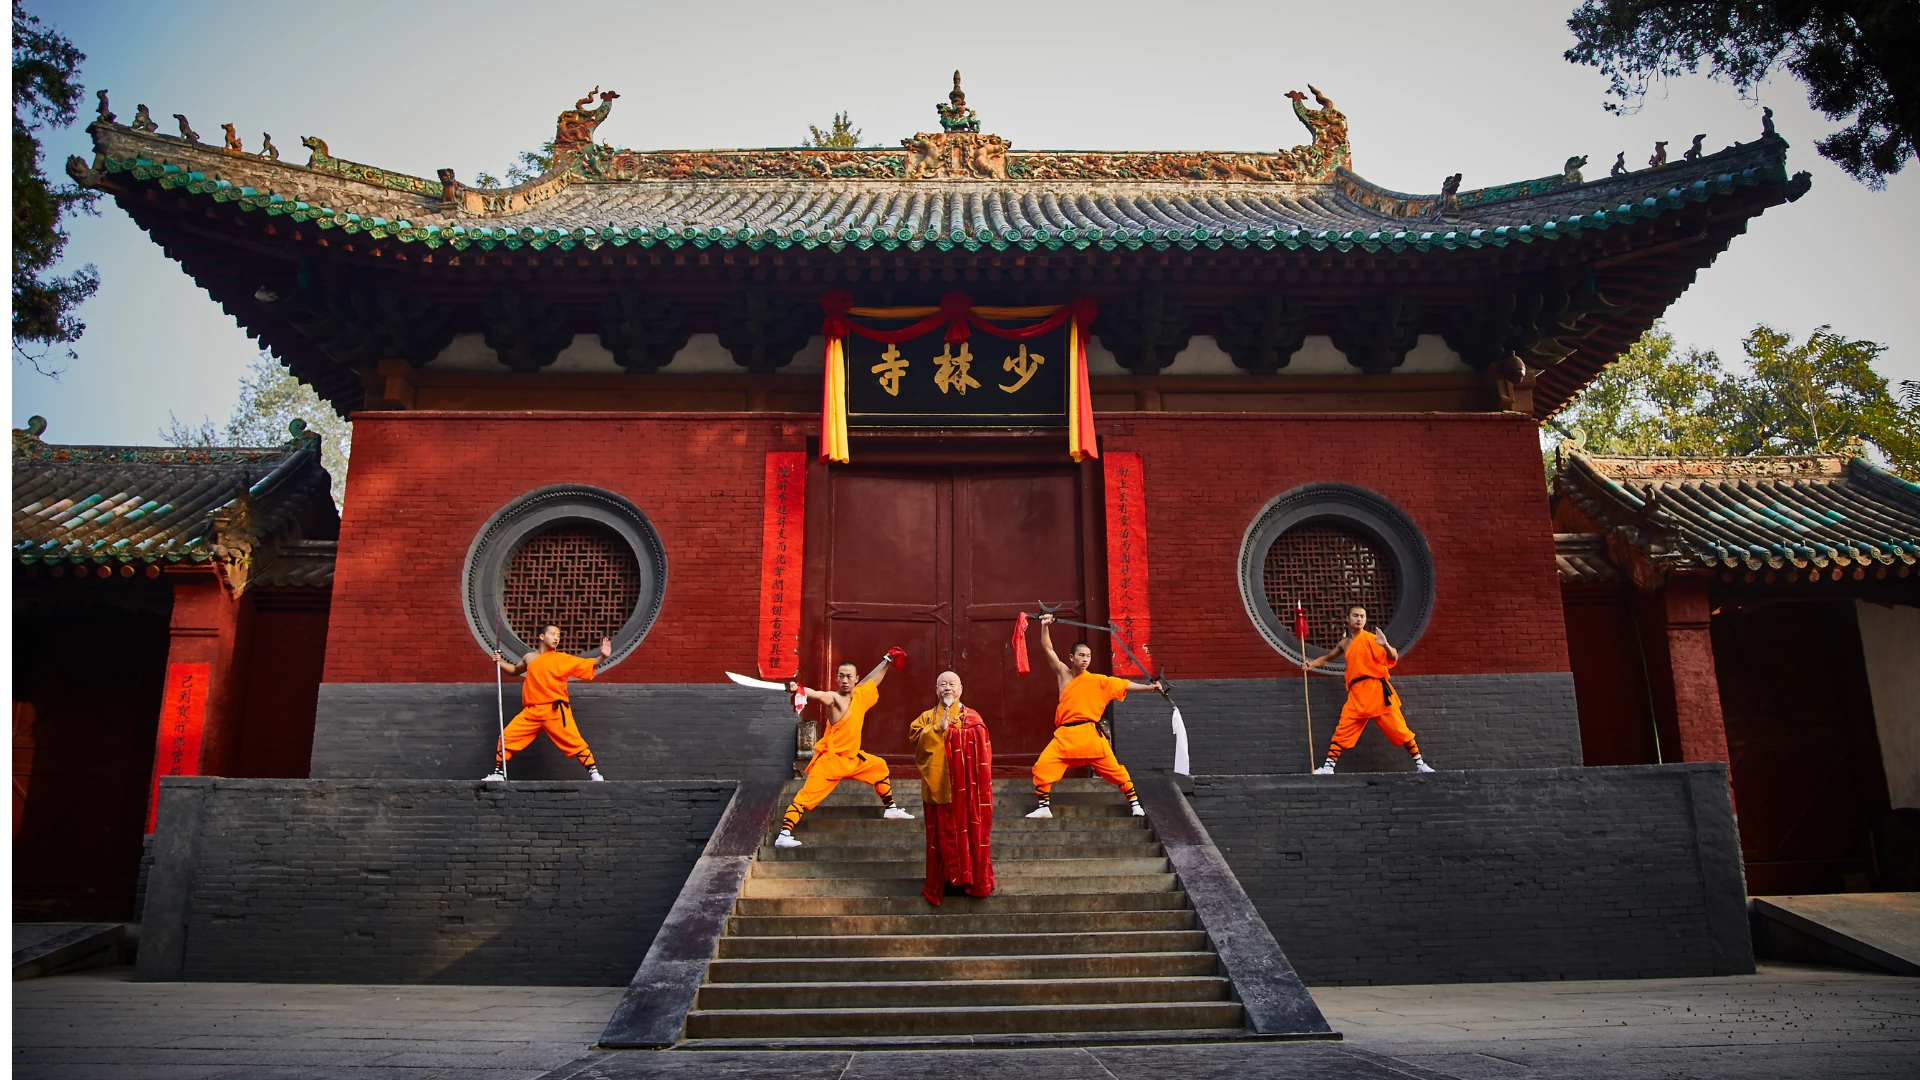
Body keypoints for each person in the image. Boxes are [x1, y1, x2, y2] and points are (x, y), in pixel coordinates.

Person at [1027, 613, 1163, 819]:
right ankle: (1044, 807)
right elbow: (1048, 649)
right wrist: (1045, 626)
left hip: (1091, 735)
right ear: (1072, 658)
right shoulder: (1063, 674)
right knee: (1043, 765)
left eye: (1088, 656)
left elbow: (1124, 684)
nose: (1085, 659)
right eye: (1081, 655)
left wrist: (1149, 688)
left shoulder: (1099, 681)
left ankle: (1135, 804)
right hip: (1066, 737)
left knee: (1116, 771)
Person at [775, 649, 912, 848]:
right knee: (805, 796)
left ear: (856, 679)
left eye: (849, 677)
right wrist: (800, 689)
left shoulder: (860, 696)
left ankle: (890, 808)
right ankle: (784, 835)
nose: (845, 680)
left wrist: (887, 660)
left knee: (879, 766)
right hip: (831, 761)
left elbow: (872, 680)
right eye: (841, 676)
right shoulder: (834, 698)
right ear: (837, 679)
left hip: (853, 759)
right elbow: (819, 694)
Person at [1303, 605, 1435, 775]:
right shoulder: (1344, 643)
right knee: (1343, 728)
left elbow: (1392, 657)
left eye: (1362, 616)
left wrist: (1385, 644)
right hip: (1356, 693)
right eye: (1355, 615)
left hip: (1376, 690)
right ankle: (1328, 767)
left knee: (1399, 728)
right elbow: (1328, 658)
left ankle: (1420, 764)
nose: (1359, 619)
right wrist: (1311, 664)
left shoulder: (1372, 639)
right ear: (1347, 619)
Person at [908, 671, 994, 905]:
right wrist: (938, 729)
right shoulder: (926, 718)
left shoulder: (973, 717)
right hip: (940, 787)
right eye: (942, 684)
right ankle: (944, 881)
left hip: (966, 790)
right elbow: (916, 737)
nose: (947, 688)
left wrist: (955, 734)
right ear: (936, 690)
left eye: (952, 684)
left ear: (961, 689)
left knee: (969, 833)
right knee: (939, 836)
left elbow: (982, 744)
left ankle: (971, 880)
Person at [485, 622, 610, 781]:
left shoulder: (561, 658)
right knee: (507, 738)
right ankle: (498, 773)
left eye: (558, 636)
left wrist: (603, 657)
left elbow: (587, 663)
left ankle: (594, 773)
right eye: (553, 634)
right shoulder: (529, 657)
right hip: (532, 711)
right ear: (542, 636)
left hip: (555, 711)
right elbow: (515, 671)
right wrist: (499, 662)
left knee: (574, 741)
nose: (556, 638)